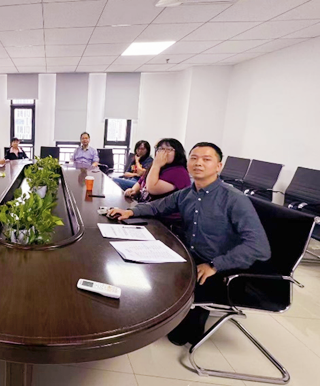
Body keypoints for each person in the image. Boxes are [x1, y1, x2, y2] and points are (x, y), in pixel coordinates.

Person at [108, 142, 270, 346]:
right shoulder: (187, 193)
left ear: (219, 166)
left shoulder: (234, 199)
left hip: (219, 266)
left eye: (206, 159)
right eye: (194, 158)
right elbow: (157, 207)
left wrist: (214, 265)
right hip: (189, 255)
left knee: (180, 337)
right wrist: (130, 211)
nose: (198, 163)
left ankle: (194, 313)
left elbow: (259, 246)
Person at [123, 138, 191, 203]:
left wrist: (156, 165)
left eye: (169, 149)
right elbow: (141, 181)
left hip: (161, 210)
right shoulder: (158, 166)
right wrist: (133, 190)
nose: (163, 153)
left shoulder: (179, 172)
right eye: (160, 149)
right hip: (144, 205)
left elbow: (151, 188)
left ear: (177, 153)